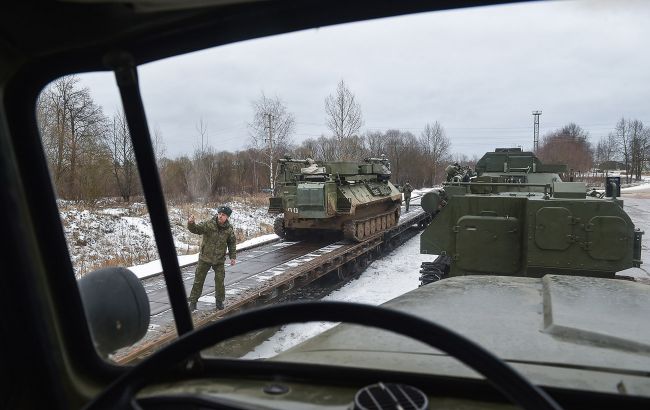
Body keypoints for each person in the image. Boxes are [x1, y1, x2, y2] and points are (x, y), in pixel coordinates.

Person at [187, 205, 237, 311]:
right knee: (198, 281)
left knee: (220, 281)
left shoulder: (229, 229)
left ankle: (219, 301)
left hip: (219, 260)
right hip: (205, 258)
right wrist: (191, 223)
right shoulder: (209, 224)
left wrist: (233, 256)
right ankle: (193, 302)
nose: (220, 216)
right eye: (219, 214)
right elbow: (196, 229)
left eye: (223, 215)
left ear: (227, 217)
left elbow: (231, 242)